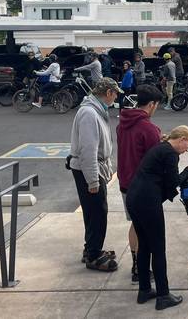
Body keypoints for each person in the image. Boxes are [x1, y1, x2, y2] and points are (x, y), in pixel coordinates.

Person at [126, 125, 188, 310]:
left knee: (144, 246)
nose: (186, 149)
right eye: (187, 145)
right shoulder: (170, 154)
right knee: (158, 248)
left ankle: (144, 290)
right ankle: (163, 295)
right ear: (181, 139)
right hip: (148, 202)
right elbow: (174, 182)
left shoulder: (160, 147)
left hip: (134, 198)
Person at [68, 78, 123, 272]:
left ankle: (91, 248)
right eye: (115, 93)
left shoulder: (96, 110)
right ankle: (93, 254)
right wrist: (92, 180)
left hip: (94, 168)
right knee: (98, 212)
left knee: (93, 212)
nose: (116, 97)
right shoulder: (89, 114)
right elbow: (88, 150)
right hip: (89, 169)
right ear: (108, 93)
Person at [116, 85, 163, 284]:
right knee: (148, 230)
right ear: (151, 104)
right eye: (157, 105)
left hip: (125, 182)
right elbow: (156, 160)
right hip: (143, 186)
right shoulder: (149, 128)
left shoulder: (122, 123)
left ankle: (136, 264)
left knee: (136, 224)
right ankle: (141, 270)